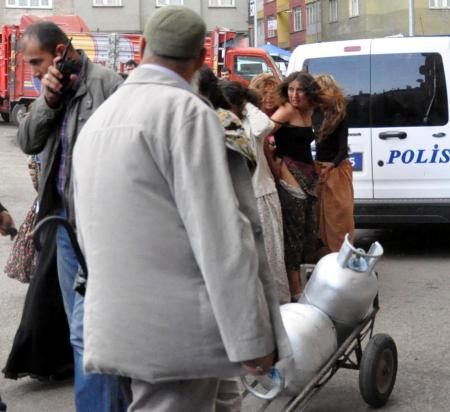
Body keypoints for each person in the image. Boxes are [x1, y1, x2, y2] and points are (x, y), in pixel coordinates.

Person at [73, 6, 290, 412]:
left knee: (221, 403)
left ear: (140, 47)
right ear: (202, 59)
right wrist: (253, 339)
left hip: (119, 319)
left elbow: (86, 229)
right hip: (180, 330)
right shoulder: (187, 114)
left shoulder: (100, 119)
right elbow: (221, 236)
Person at [16, 21, 124, 411]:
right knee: (81, 328)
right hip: (62, 225)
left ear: (60, 52)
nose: (34, 72)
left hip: (100, 226)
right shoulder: (50, 91)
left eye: (37, 62)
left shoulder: (108, 85)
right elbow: (27, 141)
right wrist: (46, 101)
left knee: (88, 328)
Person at [220, 81, 290, 304]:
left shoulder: (251, 123)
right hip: (236, 199)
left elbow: (266, 125)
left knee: (269, 254)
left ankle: (277, 303)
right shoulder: (223, 125)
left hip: (261, 194)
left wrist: (247, 104)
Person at [269, 71, 324, 300]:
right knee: (293, 235)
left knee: (307, 234)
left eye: (299, 90)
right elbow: (261, 136)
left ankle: (302, 286)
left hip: (308, 176)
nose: (294, 95)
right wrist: (275, 166)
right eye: (290, 90)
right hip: (290, 177)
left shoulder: (309, 111)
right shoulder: (286, 111)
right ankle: (295, 291)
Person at [314, 74, 355, 252]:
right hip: (320, 168)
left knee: (339, 215)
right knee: (320, 216)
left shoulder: (340, 114)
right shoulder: (314, 112)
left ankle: (341, 253)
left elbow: (342, 148)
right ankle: (326, 254)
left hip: (336, 169)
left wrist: (331, 165)